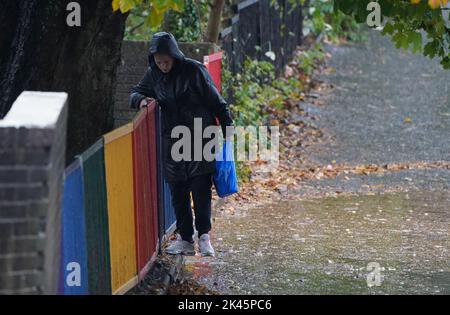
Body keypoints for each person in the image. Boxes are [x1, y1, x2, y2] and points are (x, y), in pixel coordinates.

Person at [130, 32, 234, 256]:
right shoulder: (154, 75)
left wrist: (228, 129)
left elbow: (216, 101)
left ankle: (204, 236)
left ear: (175, 56)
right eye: (158, 62)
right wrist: (141, 100)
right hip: (172, 141)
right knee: (178, 191)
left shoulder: (194, 70)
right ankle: (186, 238)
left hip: (200, 138)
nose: (163, 66)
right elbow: (135, 93)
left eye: (166, 61)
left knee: (200, 189)